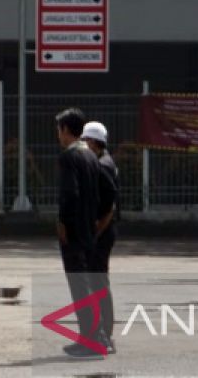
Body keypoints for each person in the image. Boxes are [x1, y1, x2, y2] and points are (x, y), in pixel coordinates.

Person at [55, 107, 113, 358]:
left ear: (66, 130)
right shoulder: (91, 156)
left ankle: (92, 340)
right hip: (89, 229)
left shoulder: (69, 157)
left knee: (80, 287)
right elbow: (105, 195)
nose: (58, 135)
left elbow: (70, 193)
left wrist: (63, 222)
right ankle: (93, 336)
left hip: (75, 231)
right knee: (87, 285)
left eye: (59, 130)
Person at [81, 120, 119, 354]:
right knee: (98, 281)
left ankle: (104, 334)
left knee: (98, 282)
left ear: (94, 142)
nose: (83, 145)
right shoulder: (104, 161)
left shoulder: (102, 166)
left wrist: (94, 232)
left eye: (85, 141)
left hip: (101, 233)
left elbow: (109, 207)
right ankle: (102, 332)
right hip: (102, 231)